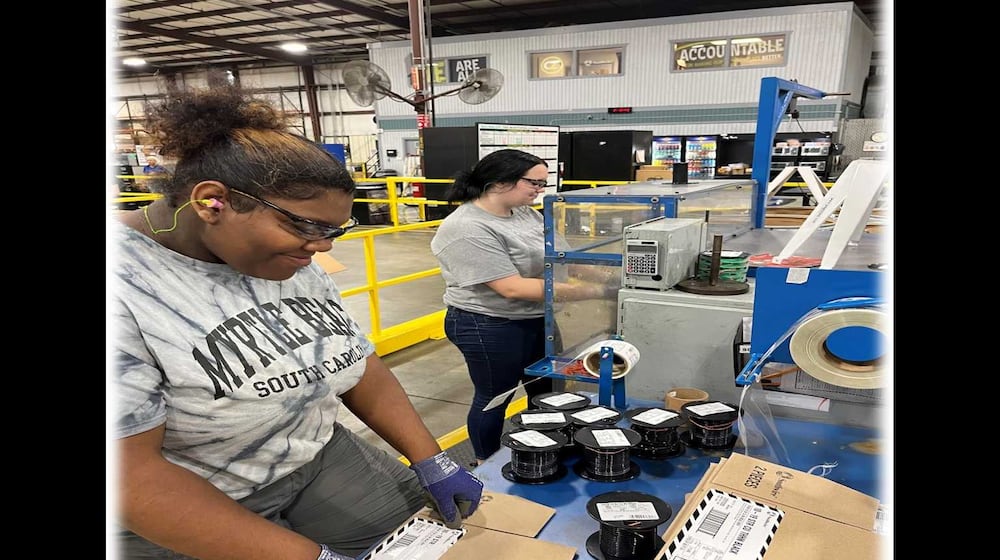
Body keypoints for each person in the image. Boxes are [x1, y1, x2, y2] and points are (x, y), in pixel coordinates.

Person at [111, 82, 483, 560]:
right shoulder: (127, 283)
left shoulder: (290, 263)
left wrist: (429, 458)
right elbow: (130, 477)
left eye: (334, 231)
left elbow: (354, 362)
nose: (323, 246)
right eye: (307, 226)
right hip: (188, 497)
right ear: (211, 202)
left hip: (315, 455)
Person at [430, 149, 612, 465]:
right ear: (500, 182)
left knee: (547, 389)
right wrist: (597, 291)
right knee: (495, 397)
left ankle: (542, 450)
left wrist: (614, 277)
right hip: (488, 324)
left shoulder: (526, 213)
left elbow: (563, 259)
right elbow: (512, 287)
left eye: (543, 183)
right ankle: (485, 463)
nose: (540, 190)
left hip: (537, 318)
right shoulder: (466, 227)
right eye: (534, 183)